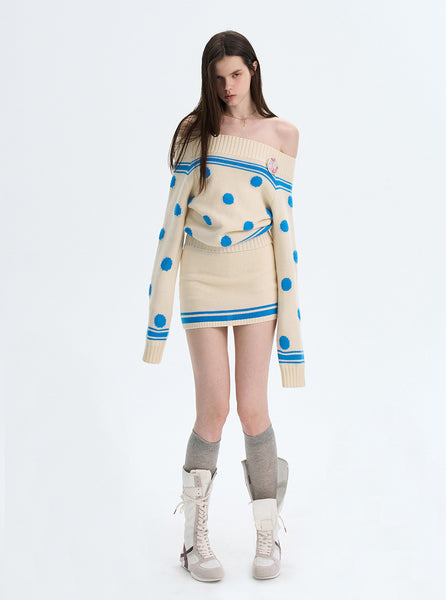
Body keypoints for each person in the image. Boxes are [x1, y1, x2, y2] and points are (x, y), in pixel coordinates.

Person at [142, 30, 306, 582]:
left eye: (236, 74)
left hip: (258, 280)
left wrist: (293, 325)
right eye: (218, 78)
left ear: (253, 69)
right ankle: (195, 541)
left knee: (253, 409)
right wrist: (156, 324)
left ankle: (267, 533)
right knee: (212, 410)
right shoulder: (194, 133)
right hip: (203, 281)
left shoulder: (282, 135)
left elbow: (284, 230)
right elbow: (171, 225)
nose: (228, 87)